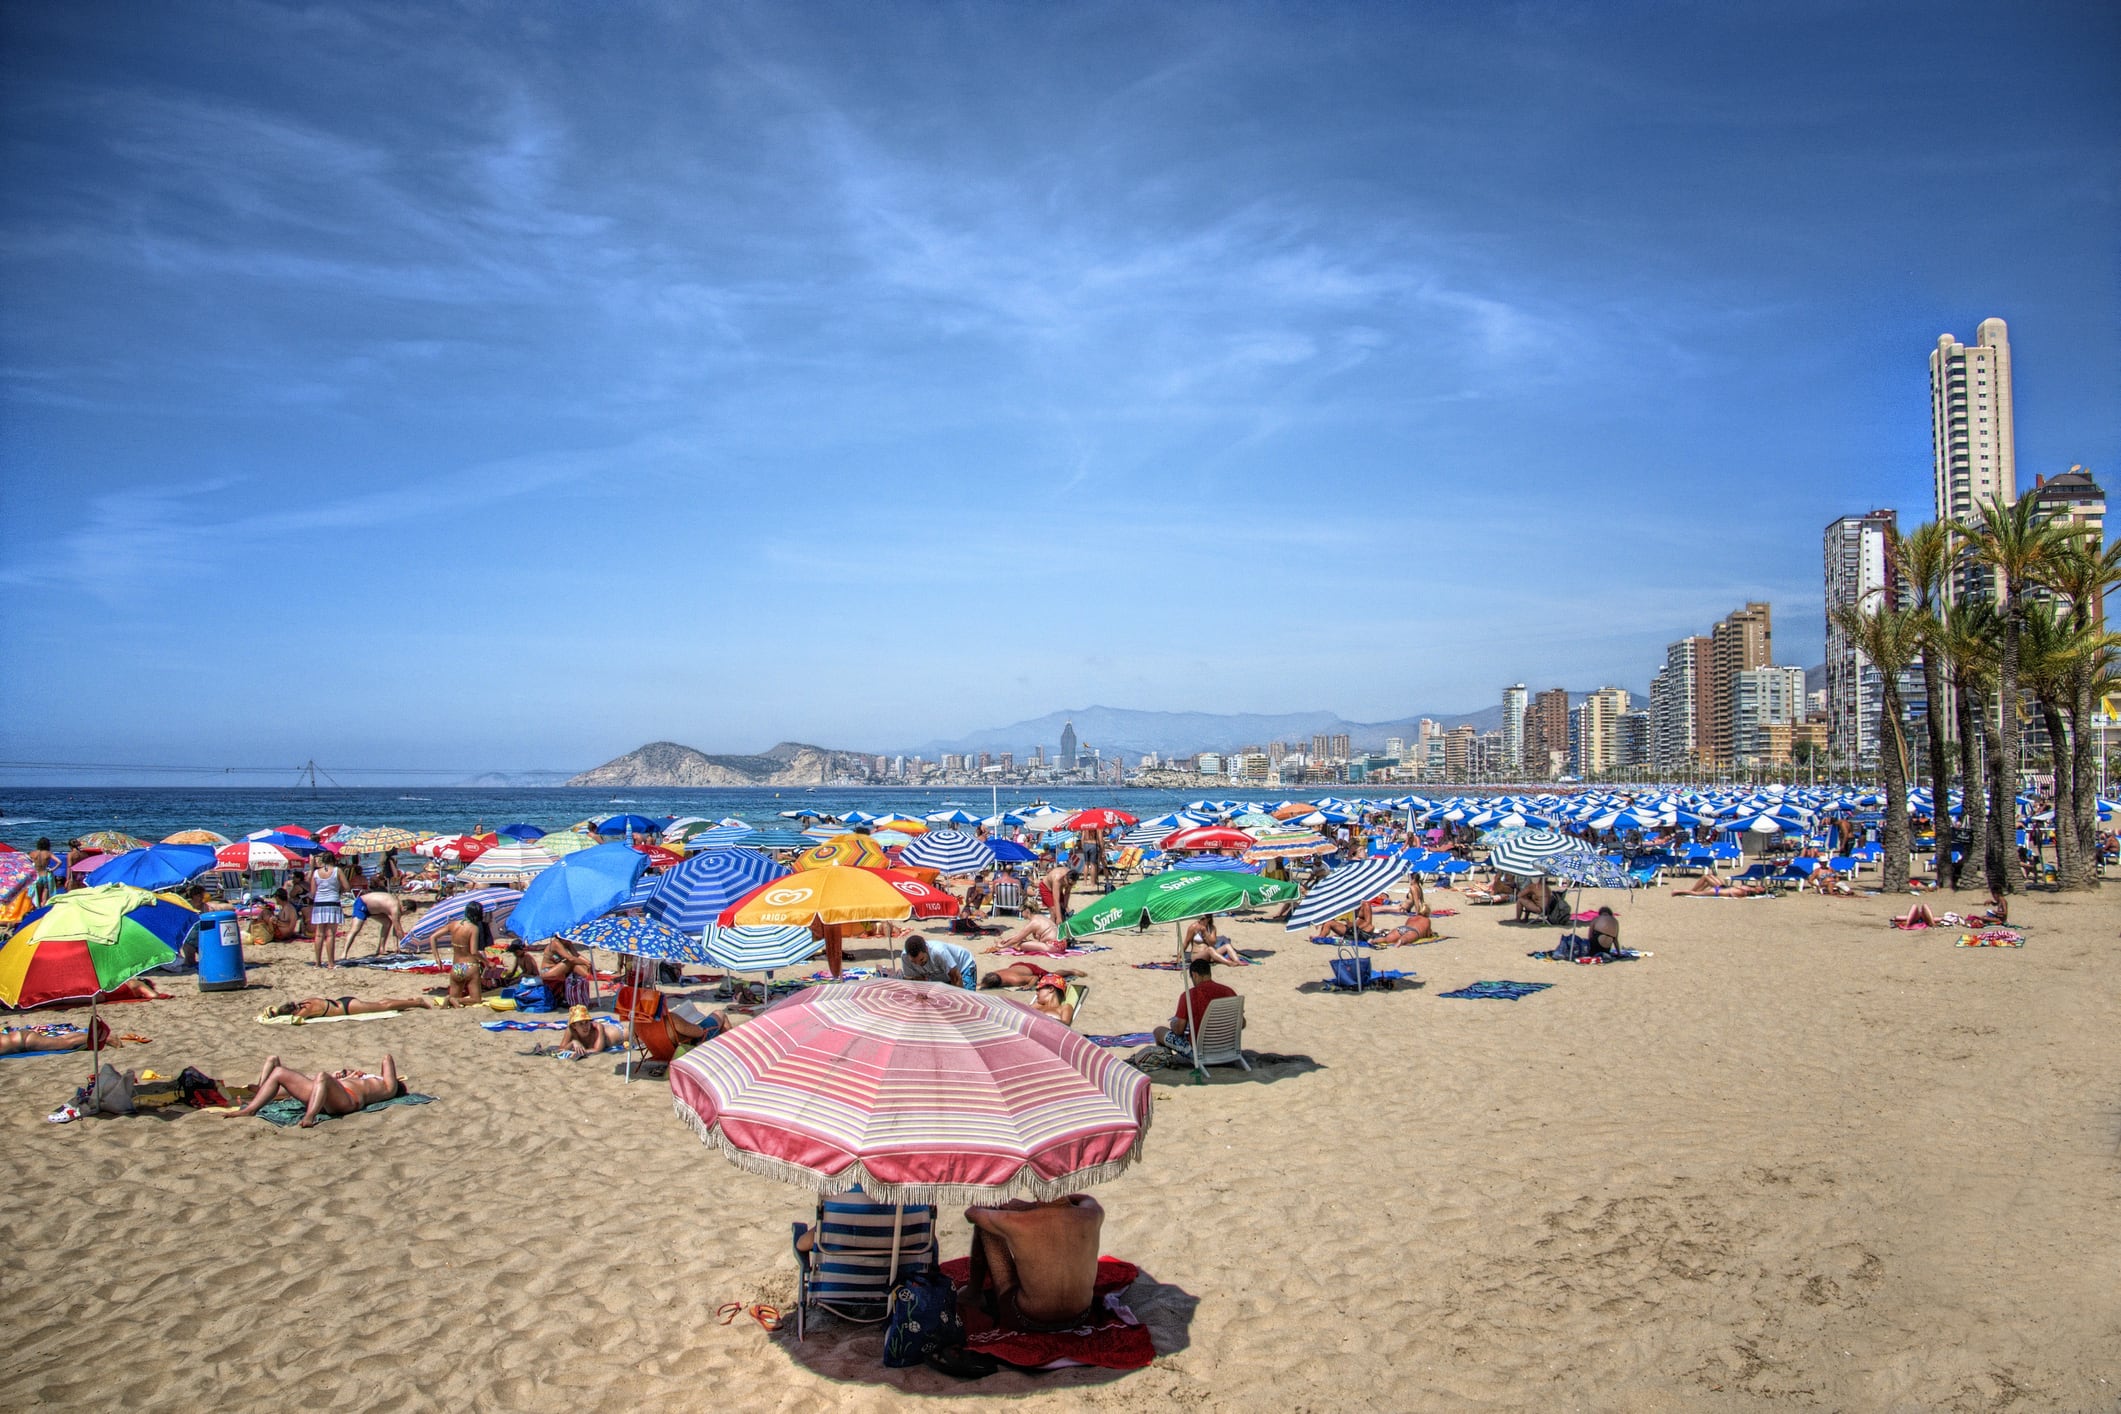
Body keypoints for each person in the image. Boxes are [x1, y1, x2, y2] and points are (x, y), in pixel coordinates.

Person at [962, 1196, 1105, 1331]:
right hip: (1081, 1316)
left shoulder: (1017, 1220)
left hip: (1028, 1320)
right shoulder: (1093, 1213)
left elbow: (972, 1214)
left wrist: (1021, 1207)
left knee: (986, 1226)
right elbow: (1085, 1198)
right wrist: (1031, 1206)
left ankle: (973, 1294)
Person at [227, 1053, 406, 1128]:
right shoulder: (359, 1078)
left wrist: (371, 1075)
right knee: (279, 1072)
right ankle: (251, 1109)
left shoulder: (387, 1087)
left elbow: (387, 1058)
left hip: (348, 1100)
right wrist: (350, 1075)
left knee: (322, 1076)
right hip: (326, 1094)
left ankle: (309, 1117)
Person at [1152, 957, 1235, 1057]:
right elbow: (1242, 1023)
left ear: (1195, 975)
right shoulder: (1228, 992)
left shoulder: (1189, 995)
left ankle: (1167, 1060)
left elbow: (1179, 1030)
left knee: (1158, 1031)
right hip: (1227, 1049)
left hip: (1199, 1052)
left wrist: (1173, 1024)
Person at [438, 901, 494, 1007]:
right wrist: (487, 962)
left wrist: (437, 958)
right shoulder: (474, 928)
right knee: (476, 1000)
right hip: (470, 967)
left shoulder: (453, 925)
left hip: (456, 967)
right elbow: (473, 952)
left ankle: (450, 999)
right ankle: (457, 1001)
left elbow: (433, 937)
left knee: (454, 996)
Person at [263, 995, 437, 1022]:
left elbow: (295, 1021)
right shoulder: (305, 1002)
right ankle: (408, 1001)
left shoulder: (304, 1011)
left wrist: (275, 1017)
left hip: (348, 1008)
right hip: (343, 1002)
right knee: (381, 1004)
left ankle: (416, 1002)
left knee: (383, 1006)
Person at [309, 854, 348, 967]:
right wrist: (338, 890)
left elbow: (312, 892)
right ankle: (331, 963)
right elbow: (347, 886)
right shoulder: (337, 871)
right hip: (333, 901)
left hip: (319, 903)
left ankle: (317, 963)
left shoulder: (316, 873)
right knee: (330, 934)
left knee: (319, 934)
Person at [547, 1004, 626, 1059]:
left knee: (631, 1034)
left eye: (587, 1022)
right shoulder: (570, 1030)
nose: (585, 1026)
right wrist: (572, 1043)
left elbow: (597, 1050)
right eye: (581, 1024)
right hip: (609, 1030)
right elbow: (561, 1049)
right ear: (574, 1026)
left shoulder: (598, 1027)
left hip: (619, 1032)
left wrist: (579, 1051)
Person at [899, 934, 977, 988]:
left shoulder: (938, 952)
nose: (919, 965)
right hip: (940, 975)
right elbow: (917, 981)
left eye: (921, 959)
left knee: (963, 1001)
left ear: (926, 949)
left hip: (963, 968)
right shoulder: (905, 957)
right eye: (914, 962)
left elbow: (956, 977)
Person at [346, 890, 407, 956]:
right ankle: (344, 954)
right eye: (407, 913)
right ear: (404, 908)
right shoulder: (395, 908)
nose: (404, 915)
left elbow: (396, 928)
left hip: (372, 910)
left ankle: (381, 949)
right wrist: (407, 945)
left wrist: (396, 946)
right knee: (355, 930)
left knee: (387, 922)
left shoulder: (396, 903)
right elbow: (398, 930)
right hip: (362, 903)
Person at [987, 915, 1069, 955]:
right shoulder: (1040, 917)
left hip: (1053, 947)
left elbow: (1017, 939)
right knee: (1022, 941)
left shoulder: (1034, 922)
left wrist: (1003, 946)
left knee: (1021, 944)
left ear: (1027, 911)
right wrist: (1008, 939)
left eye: (1022, 912)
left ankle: (1004, 948)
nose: (1022, 914)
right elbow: (1021, 935)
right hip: (1063, 945)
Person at [978, 962, 1087, 991]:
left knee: (1051, 975)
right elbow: (984, 983)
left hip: (1031, 969)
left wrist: (1029, 985)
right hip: (1016, 966)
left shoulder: (1014, 980)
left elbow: (1034, 978)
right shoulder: (994, 973)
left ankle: (1071, 971)